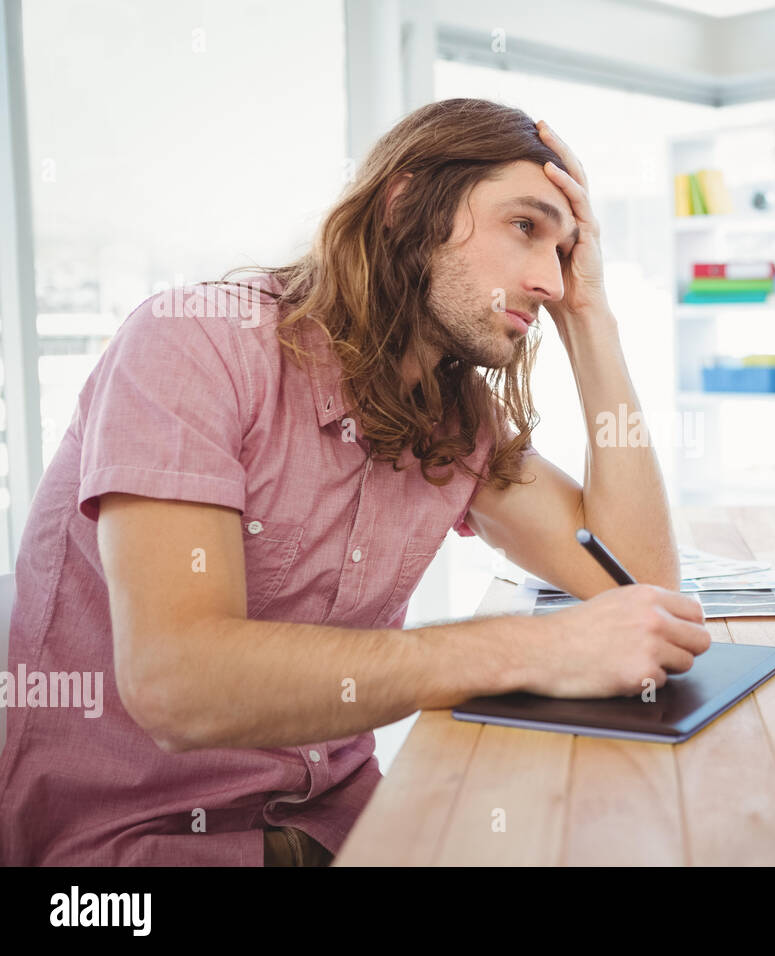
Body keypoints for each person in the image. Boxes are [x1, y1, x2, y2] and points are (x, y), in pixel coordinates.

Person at [0, 98, 708, 866]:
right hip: (130, 853)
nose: (547, 278)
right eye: (525, 227)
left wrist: (591, 315)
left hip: (344, 827)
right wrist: (528, 649)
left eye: (564, 252)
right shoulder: (192, 346)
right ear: (407, 206)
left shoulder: (450, 416)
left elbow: (639, 584)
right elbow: (176, 683)